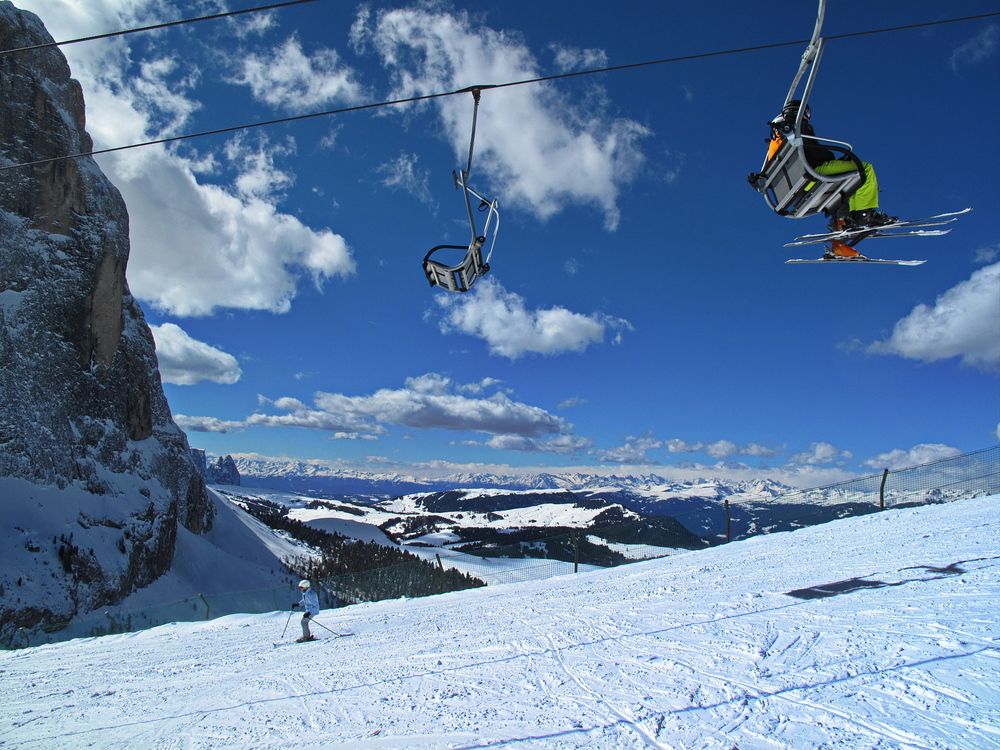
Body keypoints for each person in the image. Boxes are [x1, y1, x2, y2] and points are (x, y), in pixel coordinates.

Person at [767, 100, 896, 257]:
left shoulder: (776, 137)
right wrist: (832, 157)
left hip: (796, 188)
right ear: (802, 112)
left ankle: (839, 242)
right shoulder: (797, 126)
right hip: (811, 173)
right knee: (865, 169)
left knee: (842, 188)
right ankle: (864, 215)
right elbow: (814, 151)